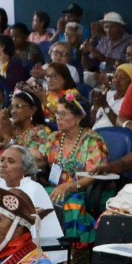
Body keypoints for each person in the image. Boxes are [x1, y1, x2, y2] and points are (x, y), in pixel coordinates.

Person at [44, 97, 107, 244]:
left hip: (83, 190)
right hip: (56, 188)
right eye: (57, 114)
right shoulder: (54, 138)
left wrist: (69, 186)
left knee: (71, 206)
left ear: (78, 117)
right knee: (37, 199)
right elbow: (40, 161)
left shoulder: (92, 140)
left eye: (63, 114)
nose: (58, 118)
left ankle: (70, 256)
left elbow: (94, 175)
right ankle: (46, 248)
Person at [0, 90, 53, 168]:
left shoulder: (41, 132)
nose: (13, 111)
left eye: (18, 106)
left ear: (33, 110)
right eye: (11, 108)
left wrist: (8, 138)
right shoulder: (9, 128)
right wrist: (0, 136)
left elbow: (31, 164)